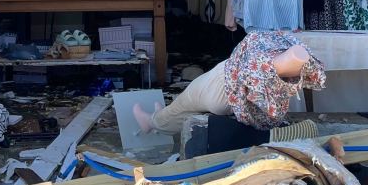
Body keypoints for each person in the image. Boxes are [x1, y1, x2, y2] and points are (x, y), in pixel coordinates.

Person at [134, 31, 325, 135]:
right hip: (236, 104)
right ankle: (161, 118)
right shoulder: (296, 73)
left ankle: (150, 122)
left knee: (184, 104)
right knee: (190, 114)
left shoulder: (266, 57)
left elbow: (251, 48)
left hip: (220, 83)